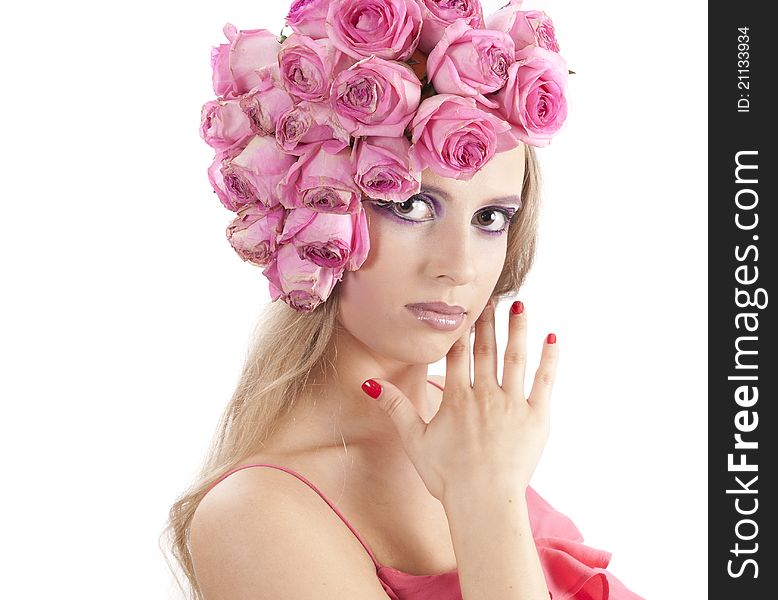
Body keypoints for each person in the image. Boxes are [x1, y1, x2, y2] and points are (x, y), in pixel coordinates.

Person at [163, 1, 644, 598]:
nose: (460, 267)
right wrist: (486, 502)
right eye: (412, 206)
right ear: (312, 209)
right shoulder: (256, 515)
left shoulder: (469, 428)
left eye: (492, 218)